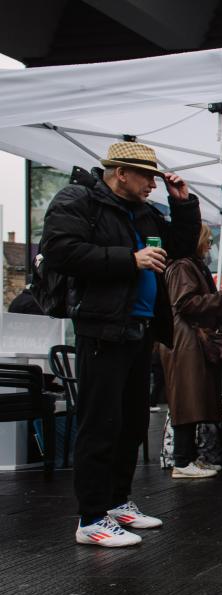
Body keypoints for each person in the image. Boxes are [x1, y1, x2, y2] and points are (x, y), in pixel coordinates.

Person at [40, 142, 200, 547]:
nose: (152, 184)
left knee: (130, 422)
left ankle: (117, 502)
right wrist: (130, 259)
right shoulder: (79, 200)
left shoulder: (143, 211)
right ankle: (90, 518)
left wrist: (182, 206)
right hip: (102, 326)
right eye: (147, 176)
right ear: (120, 172)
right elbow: (59, 251)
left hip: (139, 328)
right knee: (100, 422)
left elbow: (178, 252)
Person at [159, 222, 222, 479]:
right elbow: (185, 303)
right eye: (207, 241)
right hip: (186, 343)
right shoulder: (184, 266)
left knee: (192, 399)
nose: (209, 246)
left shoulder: (187, 265)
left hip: (189, 341)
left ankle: (188, 459)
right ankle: (183, 461)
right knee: (188, 399)